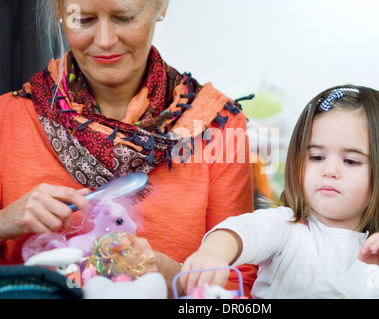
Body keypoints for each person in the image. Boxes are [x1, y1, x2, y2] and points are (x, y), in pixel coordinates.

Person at [0, 0, 257, 297]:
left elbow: (241, 287)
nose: (105, 40)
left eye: (124, 17)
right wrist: (4, 222)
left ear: (161, 6)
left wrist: (164, 271)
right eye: (83, 20)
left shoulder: (218, 126)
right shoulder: (8, 118)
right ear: (60, 13)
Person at [180, 85, 379, 298]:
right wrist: (214, 253)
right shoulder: (286, 228)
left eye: (351, 161)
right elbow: (242, 232)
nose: (329, 171)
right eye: (316, 157)